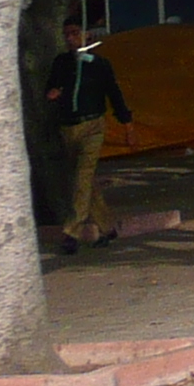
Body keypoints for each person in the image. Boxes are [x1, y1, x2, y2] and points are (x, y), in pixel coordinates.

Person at [43, 17, 132, 254]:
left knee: (82, 177)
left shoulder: (100, 64)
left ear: (86, 35)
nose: (71, 38)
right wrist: (52, 94)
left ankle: (72, 231)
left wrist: (126, 123)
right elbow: (52, 88)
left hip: (93, 125)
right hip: (69, 127)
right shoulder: (62, 63)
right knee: (86, 182)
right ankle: (108, 227)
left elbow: (114, 93)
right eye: (67, 35)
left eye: (75, 33)